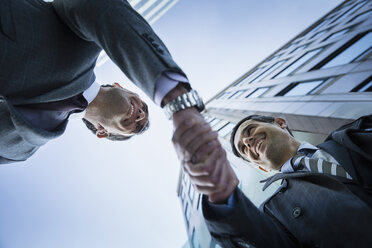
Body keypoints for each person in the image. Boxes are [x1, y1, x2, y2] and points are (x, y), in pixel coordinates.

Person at [0, 0, 210, 164]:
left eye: (136, 128)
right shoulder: (85, 41)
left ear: (102, 132)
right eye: (144, 107)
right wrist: (175, 98)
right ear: (119, 86)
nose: (141, 116)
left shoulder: (22, 149)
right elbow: (102, 9)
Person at [172, 114, 372, 247]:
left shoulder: (350, 135)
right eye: (243, 149)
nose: (248, 142)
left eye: (250, 131)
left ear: (280, 123)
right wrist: (222, 193)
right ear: (261, 167)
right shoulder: (274, 212)